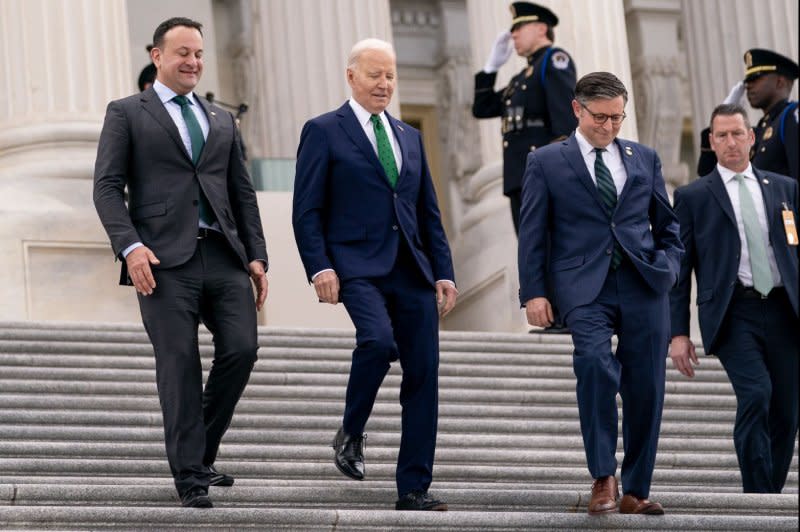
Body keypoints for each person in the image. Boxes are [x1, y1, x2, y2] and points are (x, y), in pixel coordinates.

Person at [93, 17, 268, 508]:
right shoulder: (128, 111)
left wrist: (257, 255)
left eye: (198, 53)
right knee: (180, 365)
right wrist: (131, 246)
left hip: (223, 254)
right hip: (162, 261)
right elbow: (107, 188)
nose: (192, 62)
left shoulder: (220, 119)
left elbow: (242, 193)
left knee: (241, 349)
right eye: (182, 53)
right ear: (157, 56)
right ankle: (191, 477)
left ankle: (201, 450)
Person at [292, 38, 457, 511]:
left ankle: (413, 488)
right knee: (378, 342)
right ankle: (352, 428)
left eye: (390, 76)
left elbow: (429, 212)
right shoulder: (324, 130)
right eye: (374, 75)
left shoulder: (409, 136)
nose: (384, 84)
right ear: (351, 76)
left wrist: (443, 272)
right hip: (356, 266)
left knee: (424, 373)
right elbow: (307, 209)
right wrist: (319, 266)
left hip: (412, 269)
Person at [518, 72, 683, 516]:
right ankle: (602, 476)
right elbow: (532, 233)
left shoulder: (643, 157)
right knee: (594, 365)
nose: (609, 126)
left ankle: (637, 488)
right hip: (582, 285)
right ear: (577, 109)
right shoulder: (547, 161)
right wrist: (533, 292)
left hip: (644, 282)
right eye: (600, 117)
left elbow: (668, 224)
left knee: (646, 383)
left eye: (617, 117)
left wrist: (669, 267)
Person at [670, 104, 799, 493]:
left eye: (736, 133)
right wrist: (677, 334)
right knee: (757, 393)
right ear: (711, 141)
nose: (730, 142)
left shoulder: (784, 188)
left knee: (787, 412)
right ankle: (757, 496)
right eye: (721, 135)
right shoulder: (693, 196)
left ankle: (768, 495)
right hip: (733, 312)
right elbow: (680, 272)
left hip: (783, 310)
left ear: (751, 137)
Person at [472, 1, 577, 333]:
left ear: (541, 29)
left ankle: (563, 313)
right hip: (521, 175)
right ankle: (550, 315)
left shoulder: (554, 63)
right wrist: (490, 68)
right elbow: (483, 106)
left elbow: (564, 123)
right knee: (533, 244)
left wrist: (557, 171)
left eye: (519, 28)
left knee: (551, 242)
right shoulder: (521, 77)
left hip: (543, 173)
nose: (513, 35)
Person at [697, 49, 798, 181]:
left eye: (756, 79)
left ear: (780, 82)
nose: (748, 86)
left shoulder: (791, 116)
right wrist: (721, 119)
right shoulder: (760, 131)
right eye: (747, 81)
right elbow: (708, 175)